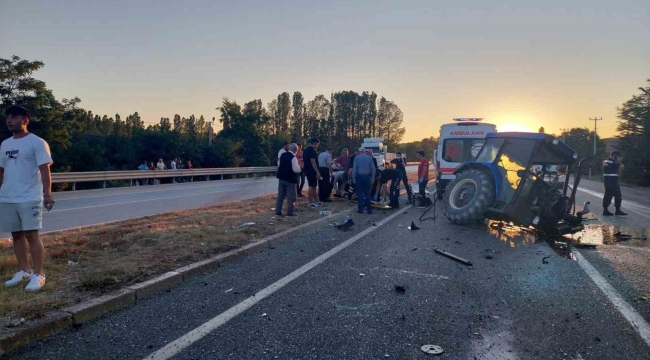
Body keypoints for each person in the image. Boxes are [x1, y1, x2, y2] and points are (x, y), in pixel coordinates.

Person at [1, 106, 54, 291]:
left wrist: (47, 194)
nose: (9, 120)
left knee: (32, 235)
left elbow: (45, 170)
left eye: (14, 117)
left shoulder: (37, 143)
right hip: (8, 196)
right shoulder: (5, 144)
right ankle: (24, 271)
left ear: (25, 120)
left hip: (30, 197)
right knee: (16, 235)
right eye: (8, 117)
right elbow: (1, 171)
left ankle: (39, 274)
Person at [276, 143, 302, 217]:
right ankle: (290, 212)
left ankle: (278, 211)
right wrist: (300, 167)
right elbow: (296, 170)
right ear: (295, 150)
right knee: (291, 197)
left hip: (281, 178)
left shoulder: (282, 155)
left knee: (280, 196)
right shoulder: (293, 157)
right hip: (290, 179)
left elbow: (279, 165)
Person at [602, 151, 627, 216]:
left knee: (608, 195)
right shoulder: (610, 161)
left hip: (610, 181)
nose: (619, 158)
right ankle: (617, 210)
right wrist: (618, 162)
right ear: (615, 156)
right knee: (617, 195)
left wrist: (618, 162)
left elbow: (622, 167)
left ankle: (606, 210)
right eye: (618, 157)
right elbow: (622, 166)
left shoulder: (611, 162)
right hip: (611, 181)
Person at [352, 147, 376, 214]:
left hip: (359, 177)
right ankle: (369, 209)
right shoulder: (369, 158)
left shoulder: (356, 158)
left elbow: (354, 169)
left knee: (359, 193)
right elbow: (373, 169)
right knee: (367, 193)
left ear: (359, 151)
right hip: (367, 177)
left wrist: (353, 178)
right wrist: (373, 178)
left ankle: (360, 209)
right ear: (365, 152)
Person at [302, 138, 322, 208]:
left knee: (314, 186)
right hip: (311, 170)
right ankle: (310, 202)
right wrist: (317, 172)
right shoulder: (312, 151)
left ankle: (316, 201)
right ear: (315, 143)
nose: (317, 146)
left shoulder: (305, 150)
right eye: (318, 144)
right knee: (311, 186)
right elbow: (313, 162)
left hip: (307, 170)